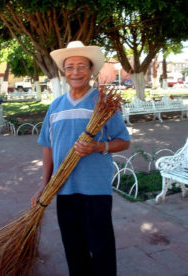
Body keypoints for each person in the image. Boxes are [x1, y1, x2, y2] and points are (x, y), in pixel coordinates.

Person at [31, 41, 131, 276]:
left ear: (91, 70)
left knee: (101, 248)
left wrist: (98, 146)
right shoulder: (55, 106)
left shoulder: (104, 105)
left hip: (96, 190)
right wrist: (44, 185)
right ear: (63, 72)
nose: (75, 72)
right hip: (63, 190)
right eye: (70, 67)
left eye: (81, 66)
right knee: (74, 250)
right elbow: (47, 147)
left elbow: (123, 141)